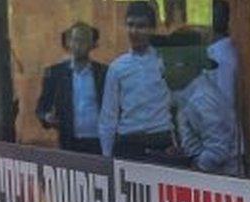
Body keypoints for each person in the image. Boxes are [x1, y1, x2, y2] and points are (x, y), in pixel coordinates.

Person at [98, 1, 175, 161]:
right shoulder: (117, 68)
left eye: (141, 26)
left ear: (152, 29)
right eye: (130, 25)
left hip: (160, 141)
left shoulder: (164, 62)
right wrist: (106, 158)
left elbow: (178, 103)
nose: (134, 31)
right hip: (128, 143)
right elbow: (108, 116)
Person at [159, 32, 238, 175]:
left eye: (170, 64)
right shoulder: (188, 95)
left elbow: (218, 150)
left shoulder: (203, 100)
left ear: (192, 66)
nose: (164, 73)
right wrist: (183, 151)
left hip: (221, 182)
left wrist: (194, 169)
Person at [36, 23, 107, 154]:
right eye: (75, 39)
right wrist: (47, 117)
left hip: (99, 141)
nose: (79, 45)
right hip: (68, 142)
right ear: (68, 42)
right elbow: (41, 107)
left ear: (92, 44)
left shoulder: (104, 73)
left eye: (84, 40)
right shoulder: (55, 73)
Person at [207, 0, 243, 173]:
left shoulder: (215, 56)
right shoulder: (231, 51)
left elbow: (222, 104)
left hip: (219, 148)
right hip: (229, 146)